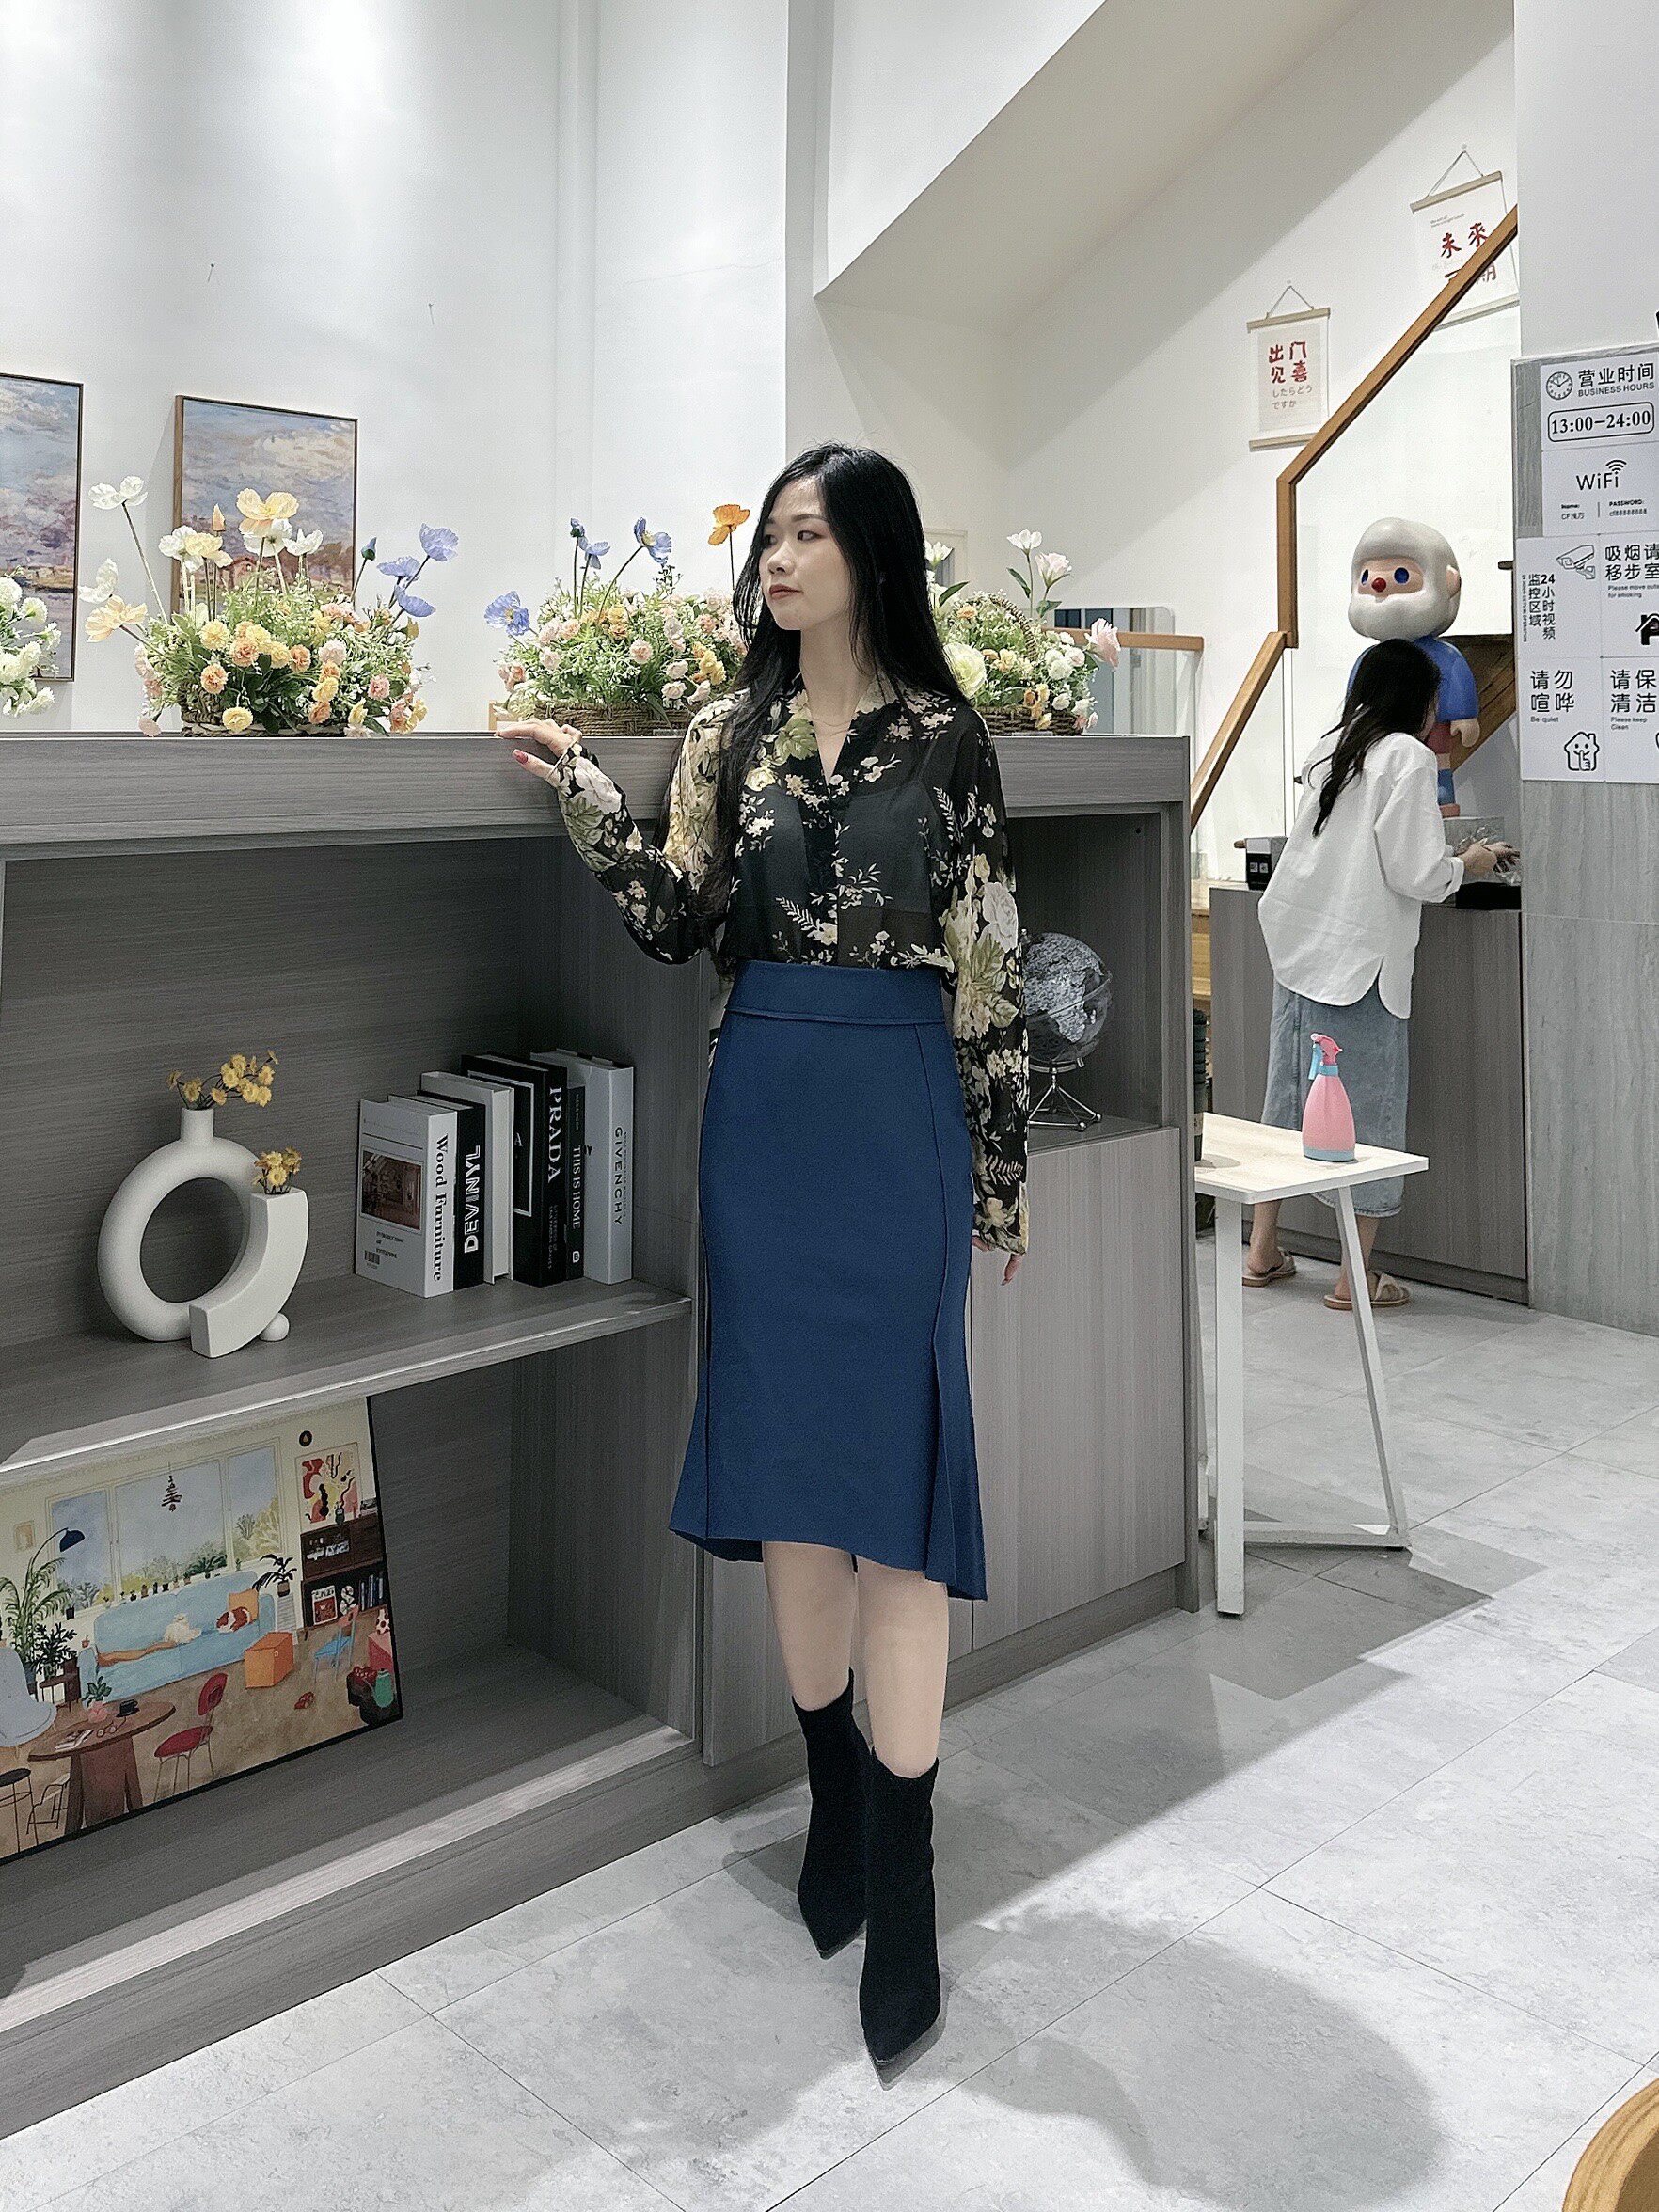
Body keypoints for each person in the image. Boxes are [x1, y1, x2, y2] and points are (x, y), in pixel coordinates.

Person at [499, 442, 1029, 2067]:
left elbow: (987, 956)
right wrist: (586, 797)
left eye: (808, 535)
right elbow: (679, 916)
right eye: (771, 539)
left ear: (873, 554)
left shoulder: (946, 740)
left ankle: (907, 1881)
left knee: (900, 1512)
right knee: (795, 1483)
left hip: (898, 1116)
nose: (779, 560)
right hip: (764, 1121)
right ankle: (831, 1796)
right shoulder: (726, 733)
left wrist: (998, 1175)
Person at [1245, 637, 1509, 1311]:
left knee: (1287, 1106)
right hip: (1361, 964)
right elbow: (1417, 872)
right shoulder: (1407, 758)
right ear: (1418, 700)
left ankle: (1262, 1249)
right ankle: (1353, 1278)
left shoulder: (1333, 746)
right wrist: (1471, 862)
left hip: (1302, 948)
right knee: (1368, 1118)